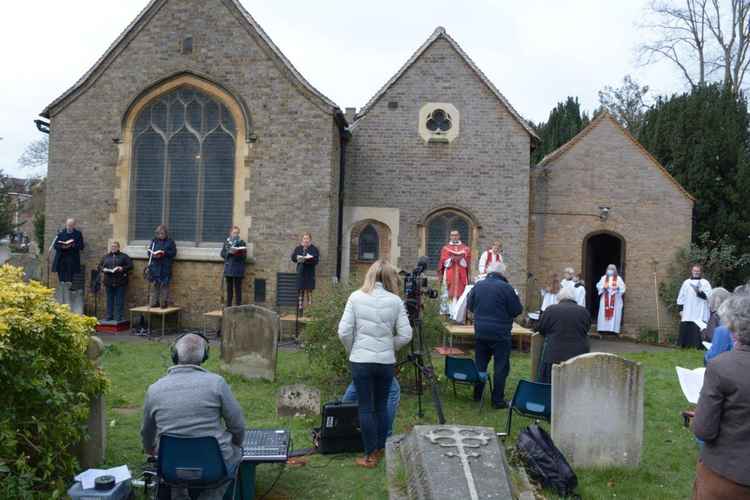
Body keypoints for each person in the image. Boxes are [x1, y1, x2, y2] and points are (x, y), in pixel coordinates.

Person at [141, 333, 245, 500]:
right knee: (237, 452)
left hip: (171, 466)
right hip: (214, 466)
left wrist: (150, 449)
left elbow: (147, 433)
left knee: (173, 464)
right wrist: (236, 444)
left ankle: (179, 492)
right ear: (204, 356)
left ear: (174, 355)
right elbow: (238, 426)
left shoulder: (154, 389)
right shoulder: (217, 384)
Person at [337, 260, 412, 468]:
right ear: (390, 278)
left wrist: (352, 349)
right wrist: (389, 346)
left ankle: (369, 456)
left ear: (369, 275)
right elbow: (406, 335)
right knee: (380, 406)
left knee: (366, 408)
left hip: (361, 360)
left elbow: (344, 331)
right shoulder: (396, 301)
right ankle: (380, 448)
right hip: (385, 361)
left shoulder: (356, 297)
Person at [692, 293, 750, 499]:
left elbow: (704, 430)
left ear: (735, 327)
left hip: (727, 475)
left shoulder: (722, 366)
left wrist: (698, 416)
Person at [466, 261, 523, 409]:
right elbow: (517, 310)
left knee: (480, 363)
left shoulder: (478, 286)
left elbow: (470, 306)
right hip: (500, 332)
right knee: (501, 366)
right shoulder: (507, 288)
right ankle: (497, 400)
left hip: (481, 330)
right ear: (502, 273)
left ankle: (477, 395)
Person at [537, 286, 591, 383]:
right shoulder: (584, 312)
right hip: (577, 355)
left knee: (551, 385)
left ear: (559, 297)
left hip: (554, 354)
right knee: (574, 385)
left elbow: (541, 329)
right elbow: (586, 329)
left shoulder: (550, 310)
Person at [438, 230, 471, 317]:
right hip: (450, 271)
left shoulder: (465, 248)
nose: (454, 237)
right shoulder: (446, 248)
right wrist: (450, 259)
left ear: (459, 236)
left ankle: (459, 314)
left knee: (461, 292)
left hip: (461, 273)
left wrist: (461, 258)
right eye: (452, 235)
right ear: (450, 236)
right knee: (448, 292)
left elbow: (467, 261)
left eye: (456, 235)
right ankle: (447, 313)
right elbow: (443, 261)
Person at [677, 264, 712, 349]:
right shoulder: (686, 282)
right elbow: (681, 296)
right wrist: (680, 309)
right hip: (689, 310)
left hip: (701, 309)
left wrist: (699, 292)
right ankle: (685, 345)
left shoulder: (705, 282)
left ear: (700, 272)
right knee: (687, 324)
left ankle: (699, 346)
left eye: (697, 271)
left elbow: (710, 296)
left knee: (700, 325)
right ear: (692, 271)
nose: (696, 272)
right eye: (694, 270)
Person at [97, 241, 133, 322]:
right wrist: (103, 269)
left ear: (118, 247)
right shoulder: (106, 256)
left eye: (115, 246)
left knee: (119, 300)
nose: (113, 248)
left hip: (120, 281)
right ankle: (109, 316)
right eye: (112, 246)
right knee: (109, 300)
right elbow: (99, 266)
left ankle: (118, 317)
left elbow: (130, 265)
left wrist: (122, 268)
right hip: (108, 281)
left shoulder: (124, 256)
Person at [146, 224, 177, 308]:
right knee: (154, 285)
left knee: (164, 285)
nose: (160, 235)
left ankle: (163, 303)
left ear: (166, 233)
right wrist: (153, 255)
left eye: (162, 233)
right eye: (159, 233)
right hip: (155, 266)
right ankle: (153, 302)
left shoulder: (170, 242)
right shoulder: (154, 241)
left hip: (165, 266)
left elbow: (173, 253)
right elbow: (149, 253)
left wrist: (164, 253)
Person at [52, 218, 85, 284]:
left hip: (72, 258)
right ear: (66, 224)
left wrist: (72, 245)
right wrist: (62, 246)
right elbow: (55, 245)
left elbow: (81, 246)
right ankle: (61, 282)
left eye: (71, 225)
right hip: (61, 258)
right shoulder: (61, 233)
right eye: (68, 225)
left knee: (69, 280)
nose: (69, 227)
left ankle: (69, 282)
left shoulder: (78, 234)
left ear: (74, 225)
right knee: (61, 280)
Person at [291, 232, 319, 307]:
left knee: (309, 291)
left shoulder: (314, 249)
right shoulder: (298, 248)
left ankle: (309, 311)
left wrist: (307, 260)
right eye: (304, 238)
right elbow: (293, 258)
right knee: (300, 290)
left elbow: (316, 261)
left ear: (310, 240)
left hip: (309, 273)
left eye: (307, 238)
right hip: (300, 272)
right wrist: (298, 258)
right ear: (302, 239)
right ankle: (300, 309)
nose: (305, 240)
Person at [220, 226, 247, 306]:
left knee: (238, 289)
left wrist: (236, 253)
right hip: (229, 269)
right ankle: (229, 306)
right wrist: (228, 253)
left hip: (238, 268)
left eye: (237, 233)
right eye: (234, 233)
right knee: (229, 289)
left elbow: (244, 256)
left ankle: (238, 307)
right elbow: (222, 254)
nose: (236, 234)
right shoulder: (226, 242)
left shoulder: (242, 242)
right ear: (230, 233)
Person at [596, 264, 626, 334]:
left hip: (615, 299)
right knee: (603, 313)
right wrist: (603, 287)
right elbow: (598, 285)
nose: (610, 270)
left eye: (612, 269)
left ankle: (613, 330)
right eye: (609, 268)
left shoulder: (618, 278)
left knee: (614, 314)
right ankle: (603, 329)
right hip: (605, 298)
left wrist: (618, 288)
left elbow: (623, 288)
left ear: (615, 270)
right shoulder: (603, 278)